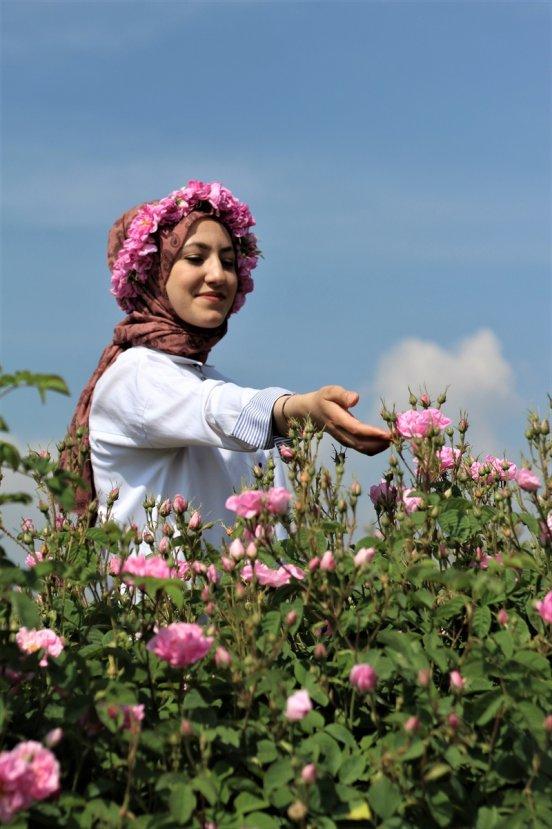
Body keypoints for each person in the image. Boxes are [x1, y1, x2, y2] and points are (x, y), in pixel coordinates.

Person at [64, 180, 390, 545]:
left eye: (229, 261)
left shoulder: (212, 383)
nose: (218, 275)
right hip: (161, 601)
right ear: (153, 272)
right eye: (195, 258)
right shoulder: (134, 373)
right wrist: (298, 409)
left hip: (240, 600)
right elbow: (212, 410)